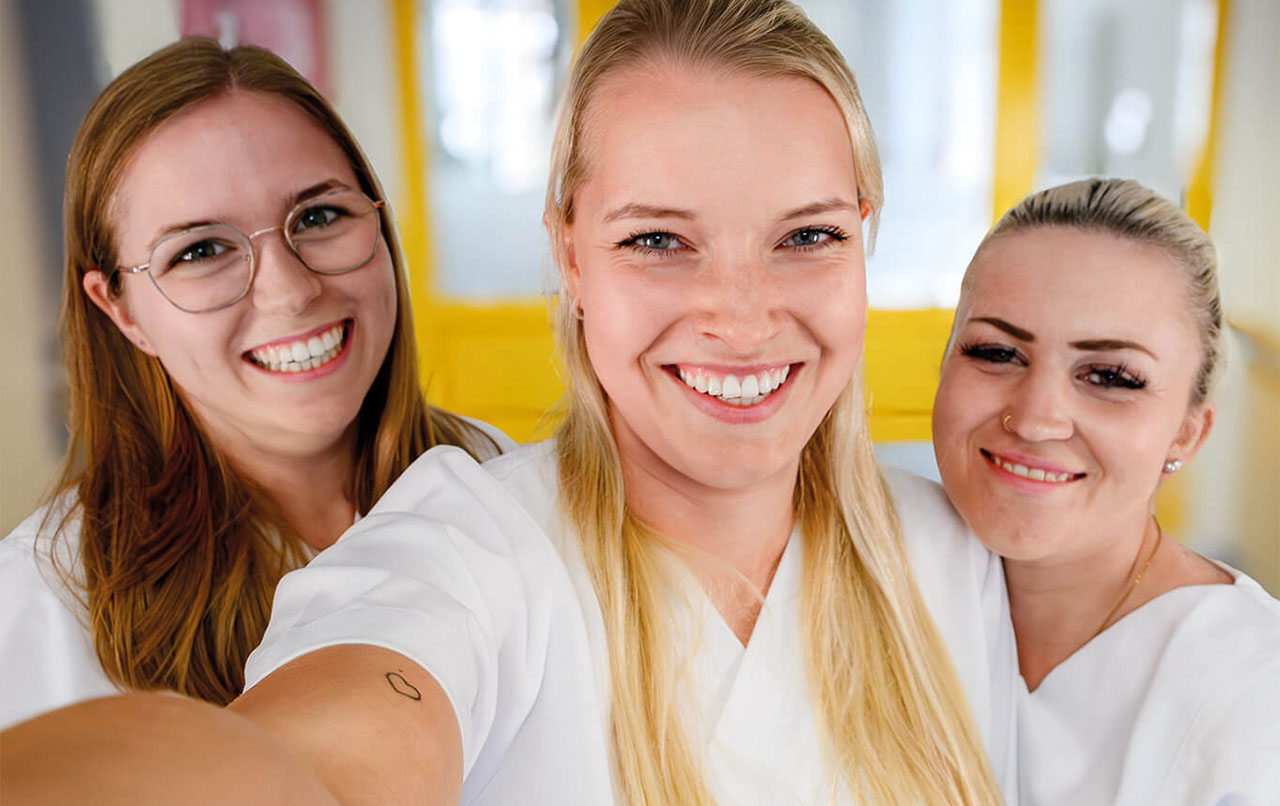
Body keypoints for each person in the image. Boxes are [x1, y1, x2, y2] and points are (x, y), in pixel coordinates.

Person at [1, 2, 1017, 804]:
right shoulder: (467, 536)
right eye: (657, 239)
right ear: (567, 253)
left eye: (805, 236)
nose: (740, 317)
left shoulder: (957, 555)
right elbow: (354, 721)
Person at [0, 38, 505, 730]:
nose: (291, 291)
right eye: (200, 250)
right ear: (119, 310)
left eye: (320, 215)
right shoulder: (42, 607)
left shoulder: (508, 486)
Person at [932, 177, 1280, 805]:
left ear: (1187, 432)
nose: (1036, 418)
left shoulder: (1256, 697)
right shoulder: (879, 569)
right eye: (997, 352)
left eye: (1110, 376)